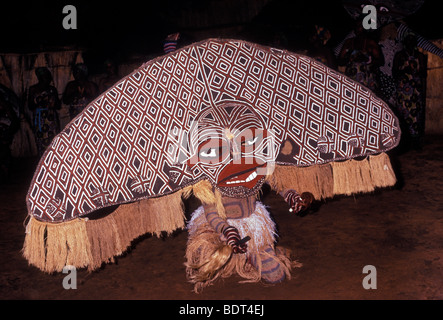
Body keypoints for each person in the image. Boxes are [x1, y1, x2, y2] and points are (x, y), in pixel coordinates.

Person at [392, 33, 427, 150]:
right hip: (403, 90)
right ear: (404, 43)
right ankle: (404, 141)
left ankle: (416, 141)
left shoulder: (420, 56)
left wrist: (415, 71)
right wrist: (404, 70)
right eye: (408, 41)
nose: (410, 43)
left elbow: (424, 74)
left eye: (412, 41)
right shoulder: (399, 55)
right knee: (403, 113)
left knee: (416, 115)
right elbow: (394, 73)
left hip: (415, 90)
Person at [338, 19, 384, 93]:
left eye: (360, 26)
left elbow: (381, 61)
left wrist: (367, 60)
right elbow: (340, 60)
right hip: (351, 78)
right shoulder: (349, 42)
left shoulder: (370, 43)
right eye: (356, 26)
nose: (357, 28)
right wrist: (349, 57)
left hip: (367, 80)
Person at [28, 67, 61, 156]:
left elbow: (59, 106)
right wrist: (40, 102)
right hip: (39, 119)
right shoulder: (33, 89)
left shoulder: (52, 89)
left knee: (53, 141)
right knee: (41, 142)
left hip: (51, 119)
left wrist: (53, 103)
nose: (48, 79)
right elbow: (30, 106)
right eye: (45, 76)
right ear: (40, 78)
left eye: (48, 76)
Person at [0, 92, 19, 182]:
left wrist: (8, 133)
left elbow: (14, 122)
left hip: (4, 131)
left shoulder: (5, 105)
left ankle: (6, 173)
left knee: (4, 152)